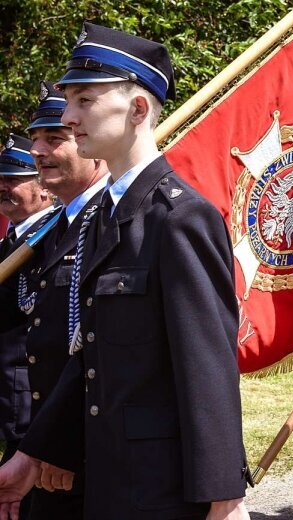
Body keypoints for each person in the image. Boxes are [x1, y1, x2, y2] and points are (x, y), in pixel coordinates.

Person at [0, 23, 249, 520]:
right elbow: (90, 356)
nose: (69, 118)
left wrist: (224, 496)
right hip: (111, 481)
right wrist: (35, 453)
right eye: (68, 101)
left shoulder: (179, 217)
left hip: (161, 489)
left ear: (137, 109)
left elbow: (207, 369)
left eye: (84, 100)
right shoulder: (105, 216)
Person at [0, 80, 110, 519]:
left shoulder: (114, 220)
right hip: (45, 444)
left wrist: (58, 442)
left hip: (89, 448)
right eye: (36, 140)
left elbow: (100, 350)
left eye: (55, 139)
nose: (39, 151)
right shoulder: (53, 230)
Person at [0, 133, 57, 520]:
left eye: (14, 178)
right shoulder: (14, 237)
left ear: (43, 188)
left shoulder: (52, 236)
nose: (3, 186)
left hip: (30, 398)